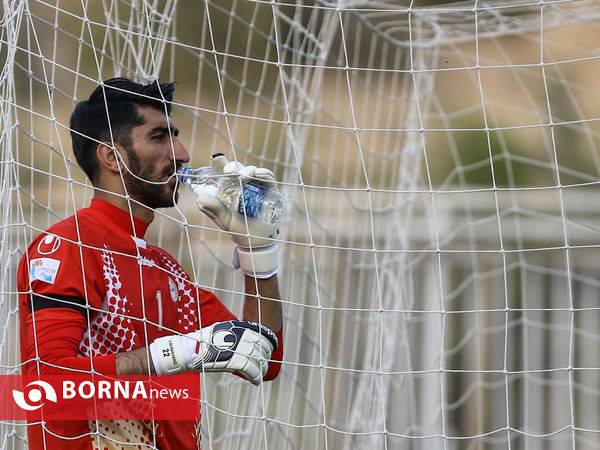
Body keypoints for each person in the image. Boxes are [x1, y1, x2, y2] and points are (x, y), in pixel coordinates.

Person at [16, 77, 284, 449]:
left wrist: (257, 253)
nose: (183, 153)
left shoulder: (166, 269)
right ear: (111, 157)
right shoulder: (67, 246)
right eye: (160, 137)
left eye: (176, 135)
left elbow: (264, 358)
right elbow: (47, 381)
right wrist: (175, 353)